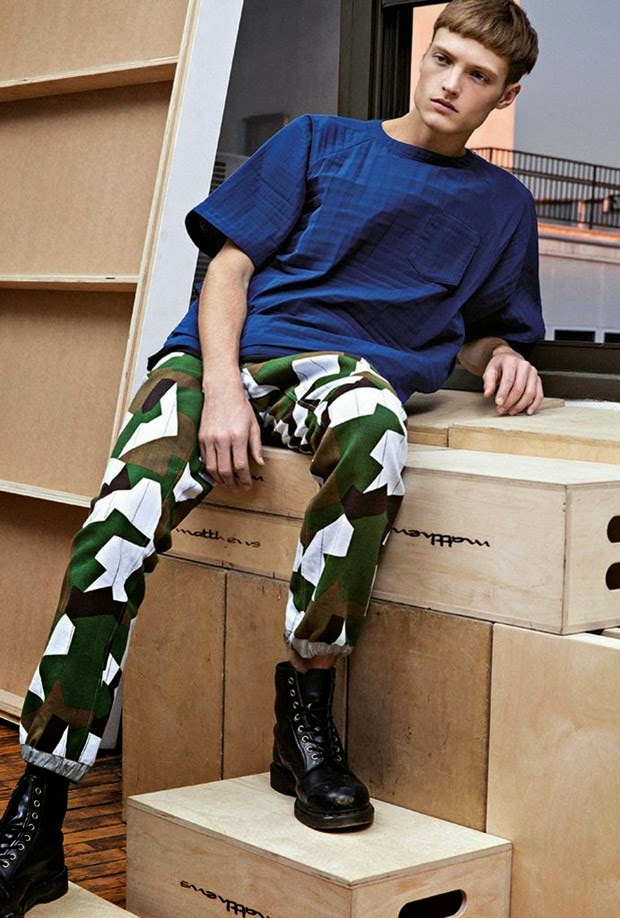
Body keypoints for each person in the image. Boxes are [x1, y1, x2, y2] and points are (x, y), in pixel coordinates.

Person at [0, 0, 544, 912]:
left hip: (342, 376)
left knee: (377, 430)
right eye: (443, 58)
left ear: (505, 95)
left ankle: (306, 713)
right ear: (423, 54)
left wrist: (505, 357)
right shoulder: (319, 141)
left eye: (478, 76)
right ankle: (39, 807)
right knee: (123, 521)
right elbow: (229, 269)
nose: (451, 84)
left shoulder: (502, 207)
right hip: (222, 359)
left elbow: (481, 332)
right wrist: (220, 389)